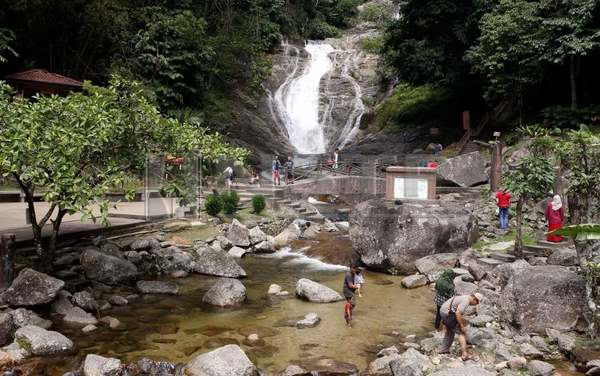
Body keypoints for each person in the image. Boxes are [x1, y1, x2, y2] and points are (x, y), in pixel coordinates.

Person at [439, 293, 483, 360]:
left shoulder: (465, 296)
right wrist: (461, 325)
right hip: (447, 313)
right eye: (476, 303)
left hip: (444, 310)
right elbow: (458, 313)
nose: (475, 304)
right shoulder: (466, 301)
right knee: (460, 332)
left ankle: (443, 350)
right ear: (474, 299)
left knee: (450, 331)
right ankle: (464, 354)